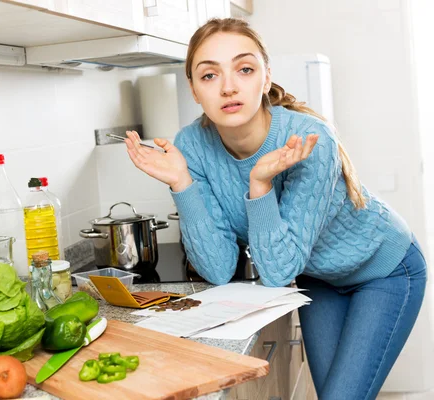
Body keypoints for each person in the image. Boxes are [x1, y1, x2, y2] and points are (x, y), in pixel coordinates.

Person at [123, 18, 427, 400]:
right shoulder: (191, 147)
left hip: (384, 268)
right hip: (320, 280)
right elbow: (217, 269)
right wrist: (182, 183)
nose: (229, 86)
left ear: (266, 78)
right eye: (209, 75)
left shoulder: (307, 140)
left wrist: (260, 184)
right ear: (194, 90)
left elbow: (280, 269)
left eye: (245, 69)